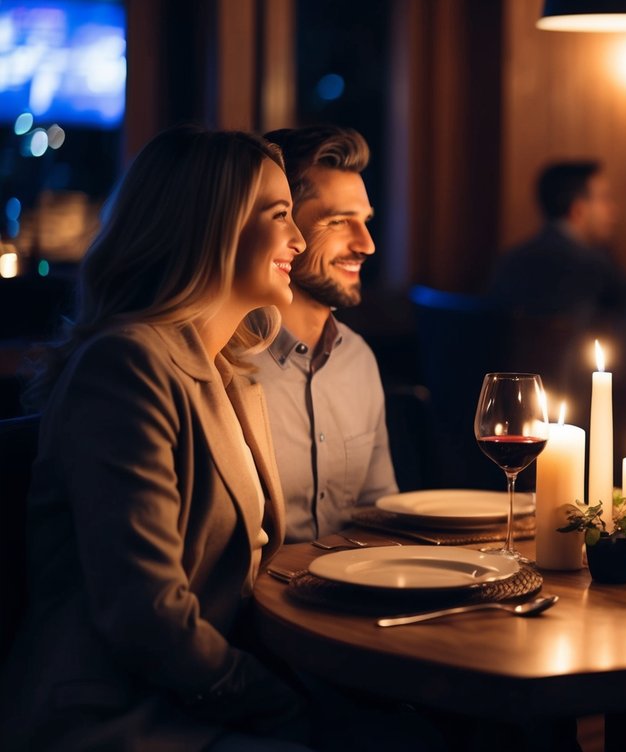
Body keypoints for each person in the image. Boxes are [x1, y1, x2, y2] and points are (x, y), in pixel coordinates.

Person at [0, 126, 313, 750]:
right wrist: (274, 698)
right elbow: (144, 615)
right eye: (280, 216)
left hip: (194, 693)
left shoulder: (232, 376)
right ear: (211, 225)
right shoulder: (126, 366)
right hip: (115, 714)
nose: (300, 240)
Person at [254, 125, 397, 543]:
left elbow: (379, 512)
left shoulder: (358, 359)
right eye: (339, 221)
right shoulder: (227, 365)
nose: (367, 244)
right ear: (285, 227)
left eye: (365, 221)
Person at [486, 159, 626, 328]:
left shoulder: (508, 261)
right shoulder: (595, 265)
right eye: (604, 199)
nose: (613, 210)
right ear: (578, 210)